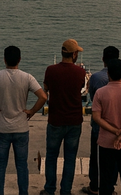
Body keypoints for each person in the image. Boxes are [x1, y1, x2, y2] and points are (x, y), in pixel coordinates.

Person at [0, 46, 48, 195]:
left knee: (0, 166)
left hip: (2, 128)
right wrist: (32, 111)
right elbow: (43, 97)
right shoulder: (27, 77)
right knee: (22, 166)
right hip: (21, 128)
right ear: (19, 59)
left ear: (4, 59)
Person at [82, 46, 121, 195]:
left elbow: (93, 98)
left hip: (101, 128)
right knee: (118, 161)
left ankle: (94, 186)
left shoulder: (96, 78)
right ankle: (111, 185)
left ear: (103, 59)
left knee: (97, 158)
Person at [41, 39, 88, 195]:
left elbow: (46, 88)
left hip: (55, 119)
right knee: (70, 158)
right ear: (74, 54)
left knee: (51, 156)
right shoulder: (80, 72)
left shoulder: (50, 70)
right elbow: (80, 87)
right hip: (74, 120)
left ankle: (49, 189)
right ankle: (65, 190)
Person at [91, 58, 121, 195]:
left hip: (106, 142)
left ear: (108, 74)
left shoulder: (100, 93)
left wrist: (115, 131)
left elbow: (96, 117)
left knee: (106, 180)